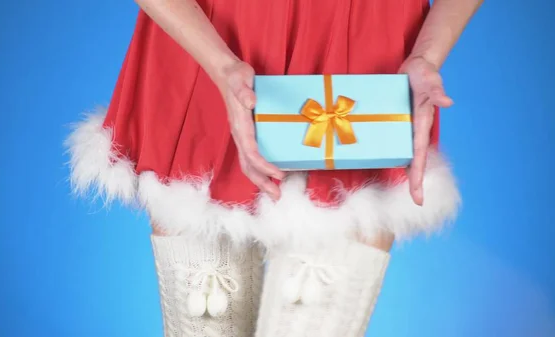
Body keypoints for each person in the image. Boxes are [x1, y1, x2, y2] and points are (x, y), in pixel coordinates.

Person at [66, 0, 483, 336]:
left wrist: (427, 54)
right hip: (205, 42)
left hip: (365, 69)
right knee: (203, 324)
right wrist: (221, 65)